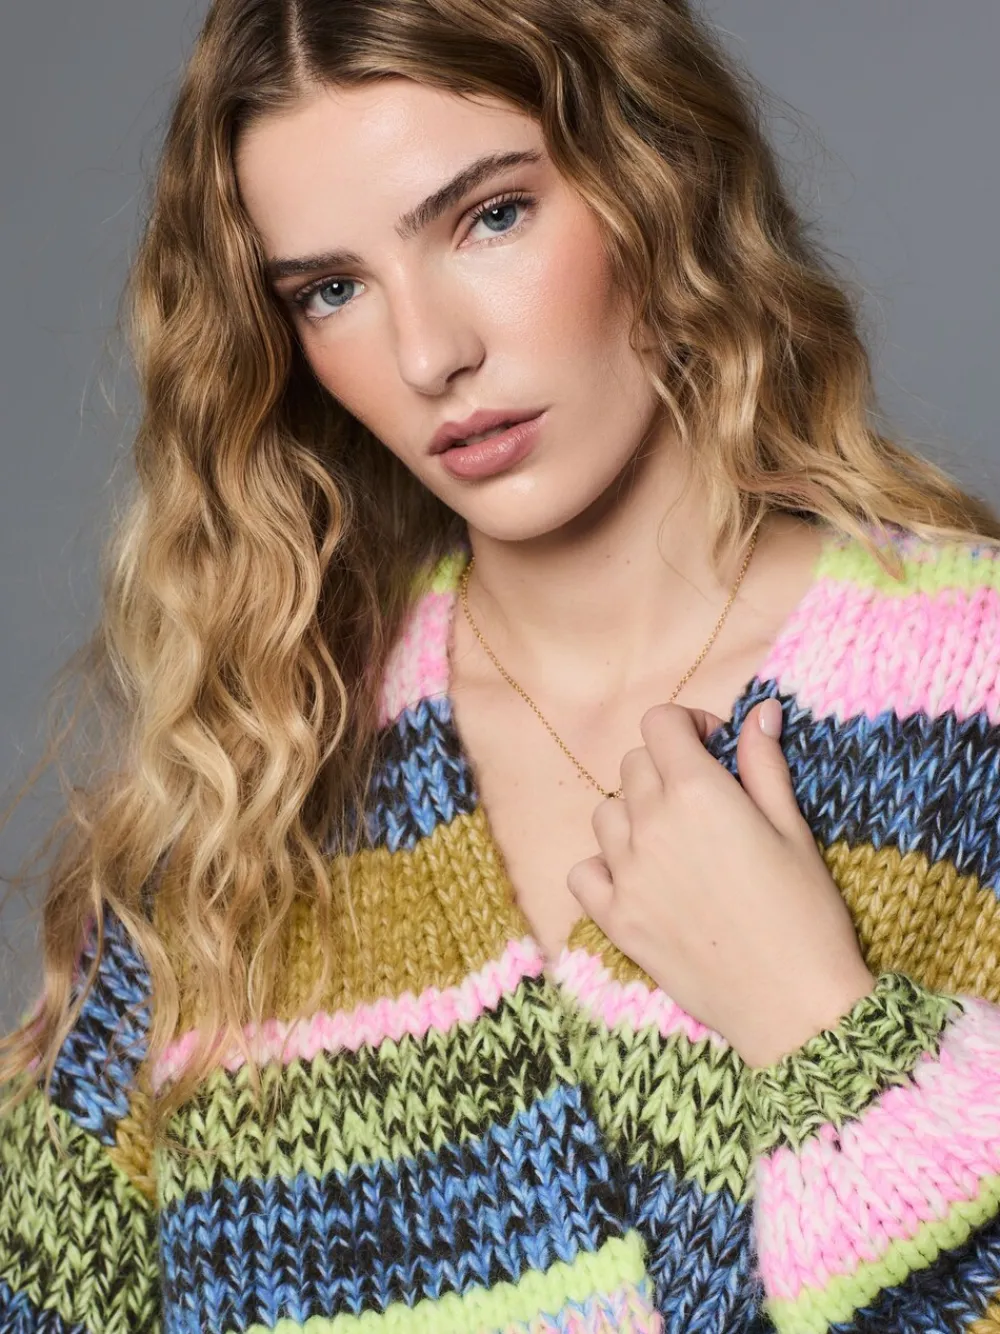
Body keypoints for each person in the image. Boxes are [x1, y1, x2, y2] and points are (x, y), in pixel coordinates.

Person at [2, 0, 1000, 1330]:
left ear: (653, 176)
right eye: (332, 290)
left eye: (490, 217)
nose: (430, 355)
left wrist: (824, 1032)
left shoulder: (975, 705)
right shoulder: (242, 803)